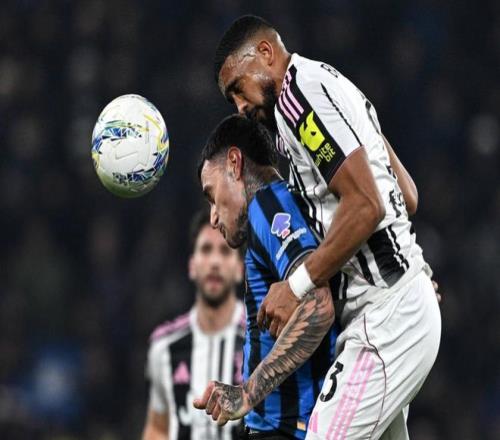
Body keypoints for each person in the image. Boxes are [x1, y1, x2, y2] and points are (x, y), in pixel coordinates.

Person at [211, 16, 441, 439]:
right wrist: (409, 271)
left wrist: (296, 285)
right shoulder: (337, 87)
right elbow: (405, 194)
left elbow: (367, 204)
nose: (240, 107)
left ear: (266, 53)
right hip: (395, 307)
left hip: (387, 318)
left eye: (238, 89)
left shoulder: (298, 97)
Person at [195, 115, 339, 439]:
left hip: (288, 428)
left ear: (234, 163)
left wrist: (246, 395)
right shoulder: (280, 208)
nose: (213, 216)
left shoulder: (269, 206)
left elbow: (319, 306)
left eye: (211, 195)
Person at [142, 210, 245, 440]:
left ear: (240, 269)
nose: (215, 262)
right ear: (192, 265)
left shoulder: (261, 340)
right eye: (206, 250)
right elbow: (158, 428)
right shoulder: (164, 347)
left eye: (225, 251)